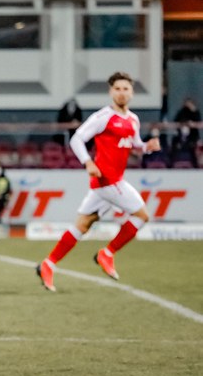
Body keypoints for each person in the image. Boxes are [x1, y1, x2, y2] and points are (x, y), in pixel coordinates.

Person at [37, 71, 160, 292]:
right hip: (108, 181)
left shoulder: (133, 119)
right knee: (142, 216)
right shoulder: (103, 117)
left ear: (132, 93)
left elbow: (134, 144)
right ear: (111, 92)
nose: (121, 93)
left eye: (125, 89)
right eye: (117, 89)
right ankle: (107, 253)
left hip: (107, 184)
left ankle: (48, 264)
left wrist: (146, 147)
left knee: (82, 225)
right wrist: (87, 162)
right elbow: (77, 138)